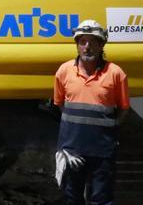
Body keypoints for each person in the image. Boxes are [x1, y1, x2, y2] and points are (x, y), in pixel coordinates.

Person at [53, 19, 130, 205]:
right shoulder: (64, 71)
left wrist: (108, 129)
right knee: (72, 198)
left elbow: (123, 109)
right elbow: (60, 103)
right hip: (72, 151)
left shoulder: (116, 73)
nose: (87, 47)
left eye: (92, 42)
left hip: (102, 151)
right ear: (77, 45)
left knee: (101, 200)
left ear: (101, 44)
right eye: (82, 42)